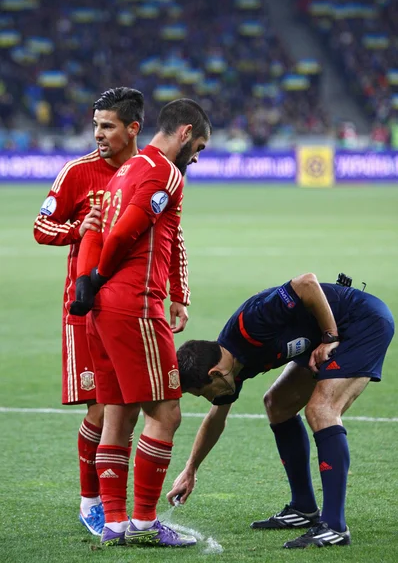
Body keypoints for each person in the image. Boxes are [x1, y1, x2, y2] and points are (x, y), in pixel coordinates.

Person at [71, 98, 212, 547]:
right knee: (166, 412)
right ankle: (147, 523)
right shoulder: (164, 172)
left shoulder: (122, 172)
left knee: (117, 414)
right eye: (200, 146)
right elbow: (125, 231)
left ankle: (114, 523)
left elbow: (94, 228)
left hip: (101, 310)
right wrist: (96, 275)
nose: (197, 156)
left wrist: (85, 285)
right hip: (134, 305)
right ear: (185, 132)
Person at [167, 273, 394, 549]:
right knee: (277, 404)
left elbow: (306, 283)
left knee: (321, 410)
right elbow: (216, 419)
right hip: (324, 335)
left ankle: (334, 526)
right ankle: (304, 508)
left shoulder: (251, 323)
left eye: (203, 392)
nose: (207, 399)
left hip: (360, 322)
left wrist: (329, 336)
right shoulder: (230, 370)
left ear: (215, 374)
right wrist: (191, 469)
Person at [33, 87, 145, 536]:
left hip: (133, 307)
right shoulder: (78, 173)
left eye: (107, 126)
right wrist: (80, 228)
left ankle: (120, 504)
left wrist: (180, 294)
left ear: (132, 128)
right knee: (101, 409)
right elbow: (42, 227)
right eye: (95, 125)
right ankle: (91, 499)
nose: (97, 134)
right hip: (86, 308)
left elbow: (171, 236)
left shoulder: (149, 172)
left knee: (129, 407)